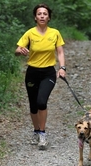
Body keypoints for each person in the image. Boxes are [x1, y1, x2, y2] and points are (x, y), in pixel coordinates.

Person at [15, 3, 66, 150]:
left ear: (49, 17)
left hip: (48, 72)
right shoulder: (30, 33)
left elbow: (60, 52)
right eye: (39, 14)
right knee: (33, 104)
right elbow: (17, 49)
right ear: (35, 17)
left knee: (41, 102)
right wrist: (20, 51)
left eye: (45, 14)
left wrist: (62, 68)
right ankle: (36, 131)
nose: (42, 16)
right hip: (32, 72)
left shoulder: (55, 33)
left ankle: (42, 134)